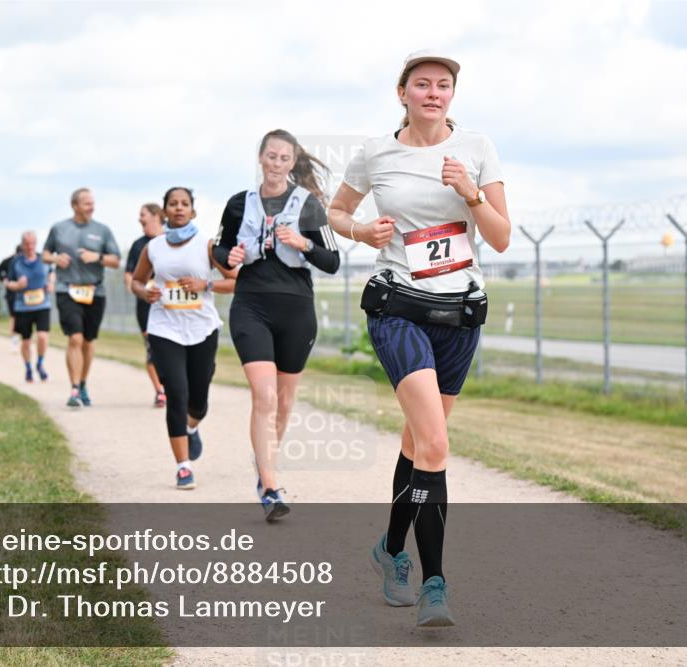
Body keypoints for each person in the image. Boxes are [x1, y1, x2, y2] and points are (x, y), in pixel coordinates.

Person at [327, 50, 510, 627]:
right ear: (402, 92)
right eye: (423, 84)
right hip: (398, 305)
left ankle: (389, 548)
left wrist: (472, 194)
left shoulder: (477, 148)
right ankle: (434, 583)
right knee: (434, 446)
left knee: (417, 445)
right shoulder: (377, 152)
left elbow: (501, 239)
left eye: (444, 85)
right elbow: (336, 211)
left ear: (453, 94)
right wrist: (361, 230)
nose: (434, 92)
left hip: (459, 312)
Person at [213, 129, 341, 521]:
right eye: (271, 157)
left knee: (284, 403)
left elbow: (332, 262)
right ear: (260, 157)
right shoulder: (239, 204)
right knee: (264, 397)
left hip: (297, 310)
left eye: (284, 159)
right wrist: (229, 255)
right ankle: (269, 486)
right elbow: (220, 249)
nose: (276, 165)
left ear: (292, 162)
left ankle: (264, 464)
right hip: (251, 305)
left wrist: (303, 244)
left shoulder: (309, 206)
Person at [131, 187, 236, 490]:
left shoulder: (208, 245)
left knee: (198, 401)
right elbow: (137, 282)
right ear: (164, 211)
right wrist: (145, 291)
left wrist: (206, 284)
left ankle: (191, 429)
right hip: (165, 329)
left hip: (201, 329)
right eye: (173, 204)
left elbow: (236, 280)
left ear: (193, 211)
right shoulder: (153, 247)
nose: (178, 208)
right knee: (176, 394)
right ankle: (183, 466)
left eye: (184, 204)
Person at [42, 188, 121, 407]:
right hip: (66, 289)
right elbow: (45, 255)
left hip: (95, 291)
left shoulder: (102, 230)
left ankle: (83, 382)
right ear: (75, 206)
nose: (91, 207)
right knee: (75, 338)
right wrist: (56, 259)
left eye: (92, 203)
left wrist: (97, 257)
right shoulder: (59, 229)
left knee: (88, 340)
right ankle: (74, 389)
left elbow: (116, 260)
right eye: (86, 203)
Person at [124, 203, 167, 407]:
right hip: (145, 304)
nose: (139, 218)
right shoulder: (138, 245)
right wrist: (134, 287)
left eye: (143, 214)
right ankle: (160, 391)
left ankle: (174, 386)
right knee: (153, 349)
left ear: (156, 216)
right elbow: (129, 273)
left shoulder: (170, 239)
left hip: (172, 304)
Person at [5, 231, 54, 383]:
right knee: (26, 341)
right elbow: (7, 282)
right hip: (23, 306)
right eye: (27, 244)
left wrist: (51, 283)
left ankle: (39, 363)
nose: (30, 247)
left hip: (42, 305)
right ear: (22, 244)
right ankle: (28, 368)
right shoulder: (16, 262)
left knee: (42, 336)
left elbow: (52, 273)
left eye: (32, 243)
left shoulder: (43, 260)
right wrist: (17, 285)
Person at [0, 245, 23, 347]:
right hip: (12, 293)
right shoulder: (9, 261)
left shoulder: (29, 261)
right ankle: (14, 340)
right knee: (14, 317)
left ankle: (24, 338)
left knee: (22, 316)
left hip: (24, 293)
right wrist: (5, 280)